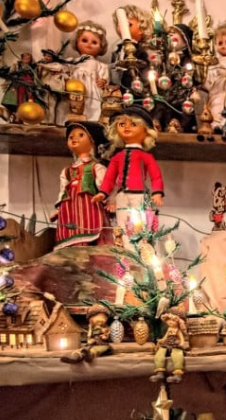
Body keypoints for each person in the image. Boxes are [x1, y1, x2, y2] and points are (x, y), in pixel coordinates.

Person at [92, 105, 164, 251]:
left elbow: (156, 176)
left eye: (133, 124)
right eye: (122, 124)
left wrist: (157, 192)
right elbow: (109, 178)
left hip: (139, 196)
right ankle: (125, 250)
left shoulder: (145, 156)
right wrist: (103, 193)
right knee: (122, 224)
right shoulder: (117, 157)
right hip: (122, 196)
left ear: (146, 131)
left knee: (140, 226)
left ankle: (141, 252)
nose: (127, 127)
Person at [53, 121, 112, 249]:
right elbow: (63, 190)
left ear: (92, 142)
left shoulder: (96, 167)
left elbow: (105, 186)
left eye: (81, 135)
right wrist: (59, 210)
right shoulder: (67, 171)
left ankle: (90, 246)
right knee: (71, 229)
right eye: (71, 137)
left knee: (90, 226)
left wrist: (109, 201)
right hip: (70, 207)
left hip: (89, 205)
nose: (74, 138)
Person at [71, 23, 110, 121]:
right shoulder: (72, 62)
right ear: (77, 42)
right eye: (84, 40)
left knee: (93, 105)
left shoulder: (100, 65)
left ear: (101, 47)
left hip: (92, 90)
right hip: (75, 89)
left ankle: (92, 120)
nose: (89, 44)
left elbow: (104, 76)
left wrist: (103, 81)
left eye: (94, 42)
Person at [150, 307, 189, 384]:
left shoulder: (177, 330)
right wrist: (162, 340)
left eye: (173, 320)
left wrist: (181, 343)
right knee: (159, 355)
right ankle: (160, 373)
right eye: (168, 320)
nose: (170, 322)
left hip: (175, 345)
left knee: (177, 356)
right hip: (167, 344)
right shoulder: (169, 329)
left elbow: (181, 339)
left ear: (179, 322)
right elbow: (165, 337)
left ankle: (177, 375)